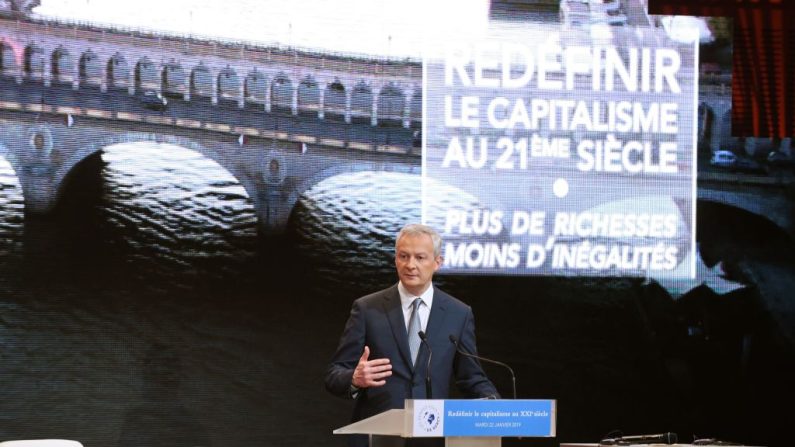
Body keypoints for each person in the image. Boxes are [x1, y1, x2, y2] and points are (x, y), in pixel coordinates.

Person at [325, 223, 499, 446]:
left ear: (438, 262)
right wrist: (354, 379)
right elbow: (333, 374)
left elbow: (471, 377)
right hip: (376, 437)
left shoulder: (459, 313)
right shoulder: (367, 309)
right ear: (395, 259)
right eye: (403, 256)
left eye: (420, 257)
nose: (410, 265)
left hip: (430, 437)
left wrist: (493, 404)